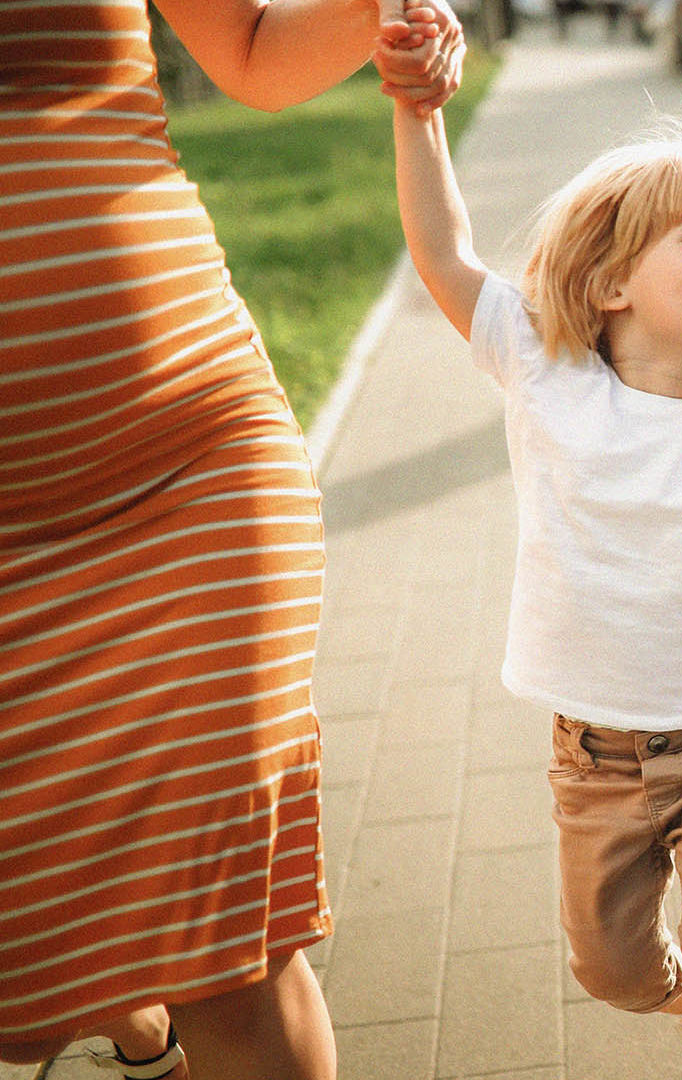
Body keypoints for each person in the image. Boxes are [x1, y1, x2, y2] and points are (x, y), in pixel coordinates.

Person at [0, 2, 461, 1078]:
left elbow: (251, 50)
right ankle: (136, 1022)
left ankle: (156, 999)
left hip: (186, 448)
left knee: (235, 952)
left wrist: (379, 10)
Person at [372, 25, 682, 1077]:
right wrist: (417, 108)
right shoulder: (540, 369)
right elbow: (446, 254)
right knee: (614, 971)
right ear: (611, 282)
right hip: (594, 756)